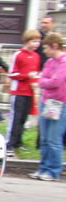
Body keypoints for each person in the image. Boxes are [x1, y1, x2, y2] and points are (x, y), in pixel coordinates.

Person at [29, 33, 66, 181]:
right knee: (44, 138)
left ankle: (53, 170)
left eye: (46, 47)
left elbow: (56, 81)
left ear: (55, 46)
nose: (44, 51)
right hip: (47, 101)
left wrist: (41, 82)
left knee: (54, 139)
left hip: (60, 103)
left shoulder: (64, 62)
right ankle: (43, 167)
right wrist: (44, 81)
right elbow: (45, 77)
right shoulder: (50, 62)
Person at [5, 30, 41, 156]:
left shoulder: (37, 56)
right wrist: (27, 76)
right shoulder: (18, 55)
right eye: (34, 41)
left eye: (38, 41)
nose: (37, 44)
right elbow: (12, 73)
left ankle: (18, 142)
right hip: (19, 91)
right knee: (16, 117)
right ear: (26, 41)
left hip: (29, 92)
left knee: (24, 119)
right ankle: (9, 143)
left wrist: (35, 81)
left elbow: (35, 73)